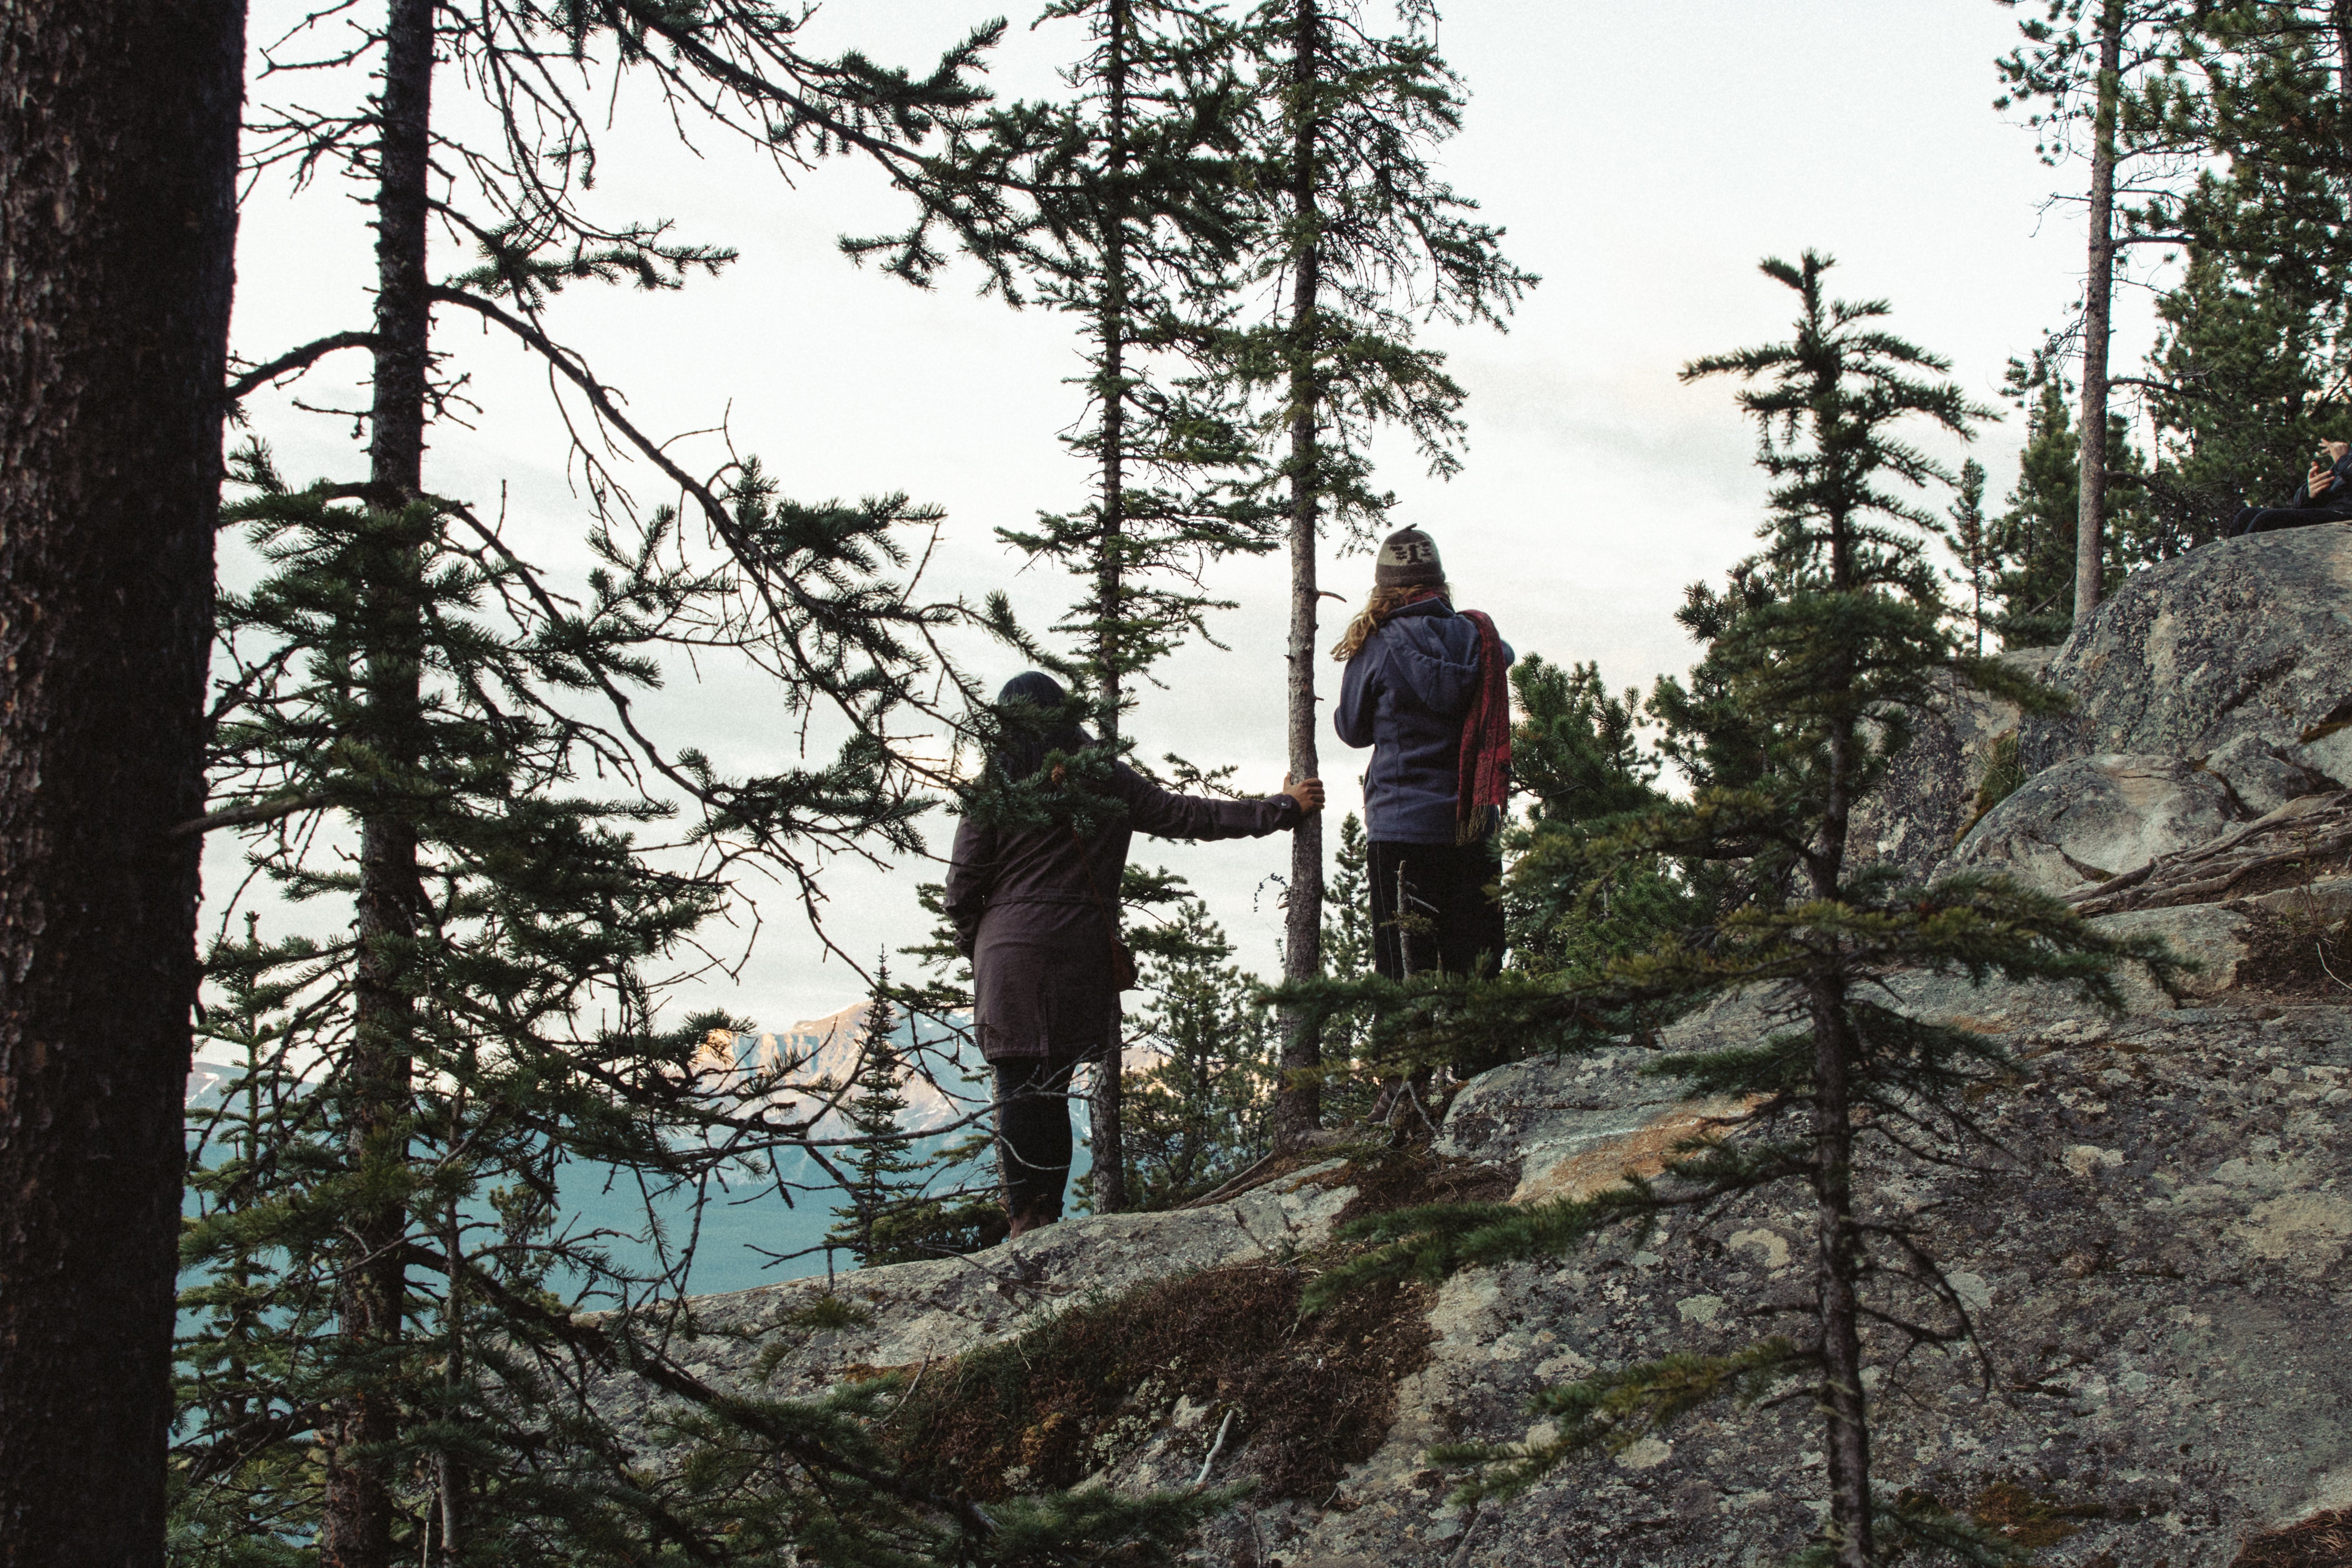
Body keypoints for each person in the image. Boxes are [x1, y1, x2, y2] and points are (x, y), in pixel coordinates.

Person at [945, 672, 1323, 1235]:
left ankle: (1027, 1221)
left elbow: (960, 890)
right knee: (1054, 1084)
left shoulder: (992, 790)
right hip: (1076, 952)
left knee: (1019, 1091)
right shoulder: (1105, 778)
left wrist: (977, 943)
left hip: (1007, 959)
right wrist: (1281, 807)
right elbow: (1188, 815)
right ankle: (1046, 1219)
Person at [1332, 526, 1515, 1049]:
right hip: (1471, 826)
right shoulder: (1477, 641)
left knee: (1402, 970)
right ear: (1437, 582)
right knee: (1475, 965)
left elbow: (1351, 730)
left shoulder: (1377, 645)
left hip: (1400, 826)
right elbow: (1505, 655)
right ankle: (1479, 1082)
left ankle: (1402, 1097)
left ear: (1385, 587)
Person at [2227, 438, 2352, 536]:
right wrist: (2310, 493)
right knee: (2246, 516)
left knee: (2267, 521)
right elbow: (2298, 506)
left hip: (2345, 518)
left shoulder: (2345, 460)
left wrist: (2342, 460)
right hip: (2331, 513)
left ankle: (2240, 566)